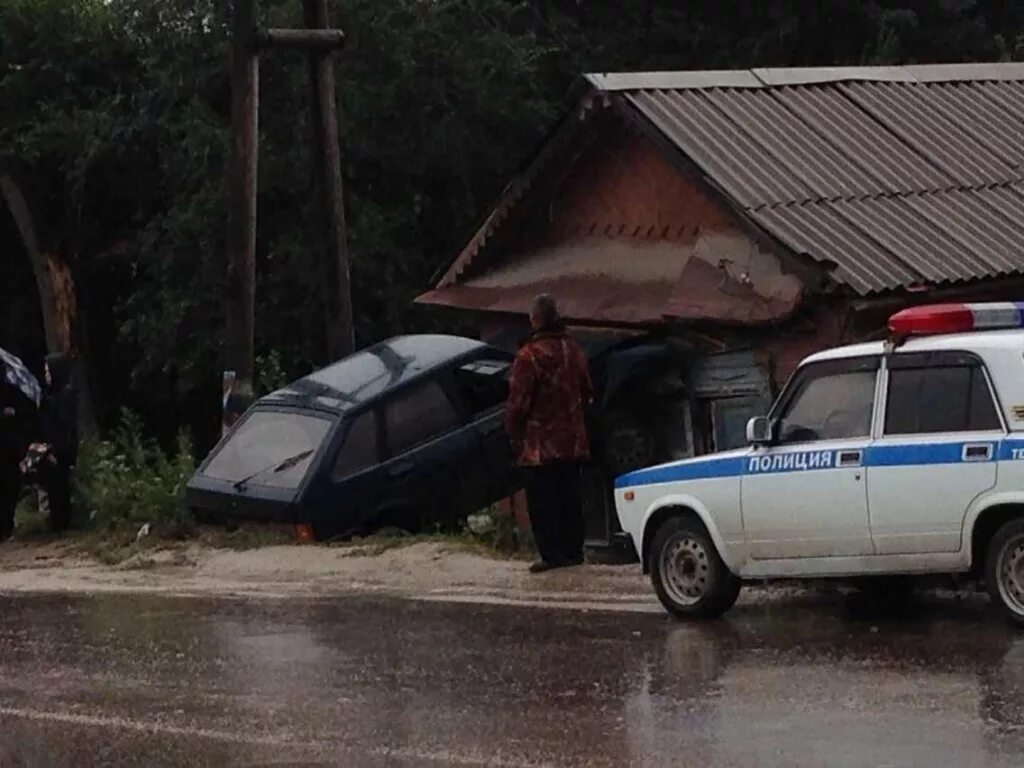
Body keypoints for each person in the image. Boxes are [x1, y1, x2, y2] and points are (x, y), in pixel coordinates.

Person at [505, 294, 594, 573]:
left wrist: (513, 434)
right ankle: (573, 552)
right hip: (572, 440)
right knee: (570, 496)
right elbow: (588, 391)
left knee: (543, 500)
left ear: (535, 320)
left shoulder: (528, 357)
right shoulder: (573, 351)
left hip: (540, 445)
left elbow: (518, 404)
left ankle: (551, 555)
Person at [35, 353, 78, 533]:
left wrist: (56, 449)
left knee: (60, 486)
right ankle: (57, 523)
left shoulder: (65, 396)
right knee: (53, 487)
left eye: (48, 371)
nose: (46, 375)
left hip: (61, 449)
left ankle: (62, 524)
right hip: (51, 447)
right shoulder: (51, 397)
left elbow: (64, 427)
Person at [0, 381, 33, 540]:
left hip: (9, 447)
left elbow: (23, 413)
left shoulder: (12, 384)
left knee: (10, 487)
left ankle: (6, 526)